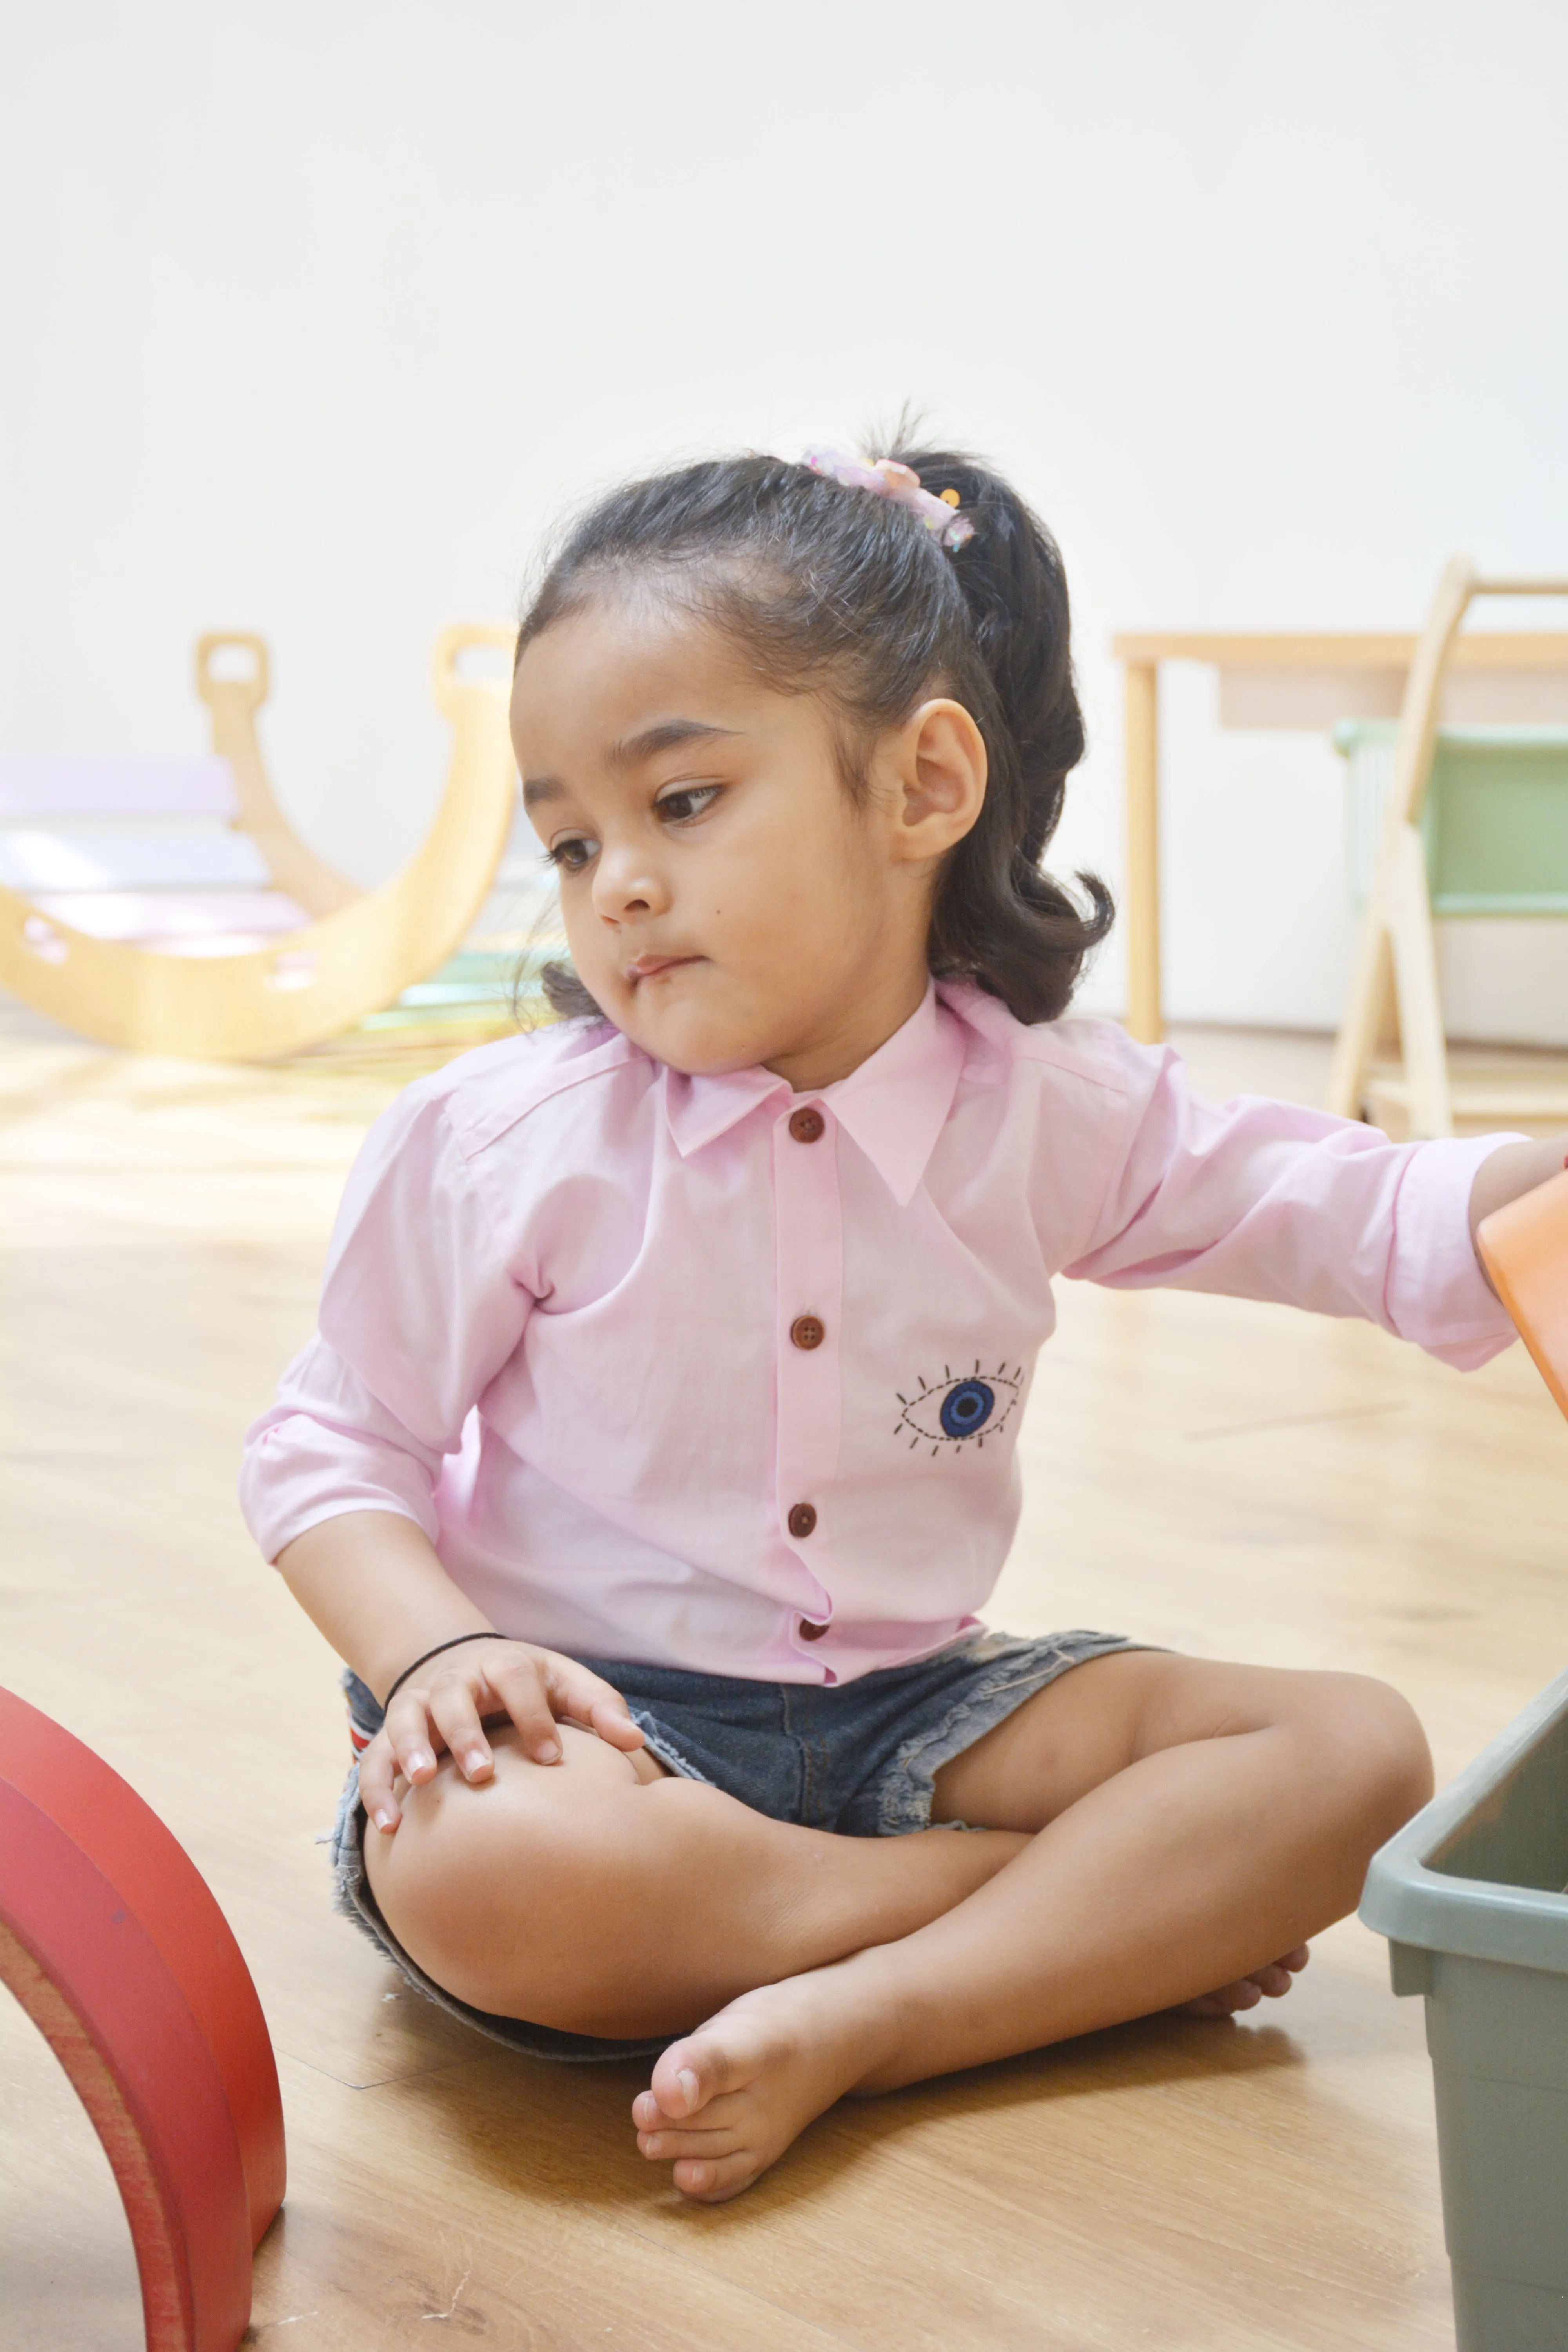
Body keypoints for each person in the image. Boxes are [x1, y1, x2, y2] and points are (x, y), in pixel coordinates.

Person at [241, 439, 1553, 2205]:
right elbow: (333, 1447)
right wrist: (431, 1662)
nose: (615, 880)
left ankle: (877, 2012)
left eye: (680, 803)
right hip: (593, 1736)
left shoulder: (1048, 1111)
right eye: (569, 840)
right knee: (490, 1870)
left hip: (911, 1718)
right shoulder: (500, 1141)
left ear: (924, 781)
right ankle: (1049, 1940)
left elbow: (1350, 1208)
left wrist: (1532, 1192)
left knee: (1351, 1753)